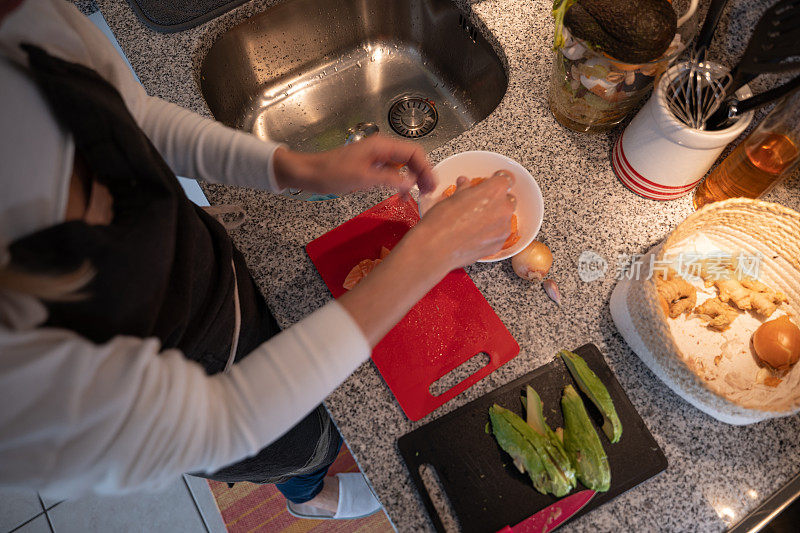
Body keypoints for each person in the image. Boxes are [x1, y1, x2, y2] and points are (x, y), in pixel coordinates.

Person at [0, 0, 515, 520]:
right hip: (209, 393)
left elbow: (127, 116)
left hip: (220, 285)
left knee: (314, 402)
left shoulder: (20, 19)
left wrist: (295, 169)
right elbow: (220, 424)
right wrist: (430, 252)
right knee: (302, 445)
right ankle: (309, 495)